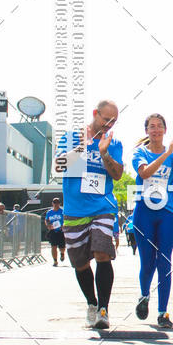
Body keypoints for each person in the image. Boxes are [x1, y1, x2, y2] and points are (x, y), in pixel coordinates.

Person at [56, 100, 123, 330]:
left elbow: (118, 175)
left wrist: (104, 153)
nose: (109, 124)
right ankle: (92, 304)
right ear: (95, 114)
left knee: (102, 253)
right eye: (106, 119)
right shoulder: (71, 138)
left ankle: (103, 309)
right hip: (74, 210)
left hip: (102, 207)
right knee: (81, 263)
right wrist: (82, 146)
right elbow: (58, 166)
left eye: (113, 121)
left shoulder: (113, 143)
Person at [132, 114, 173, 328]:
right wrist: (167, 153)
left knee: (164, 261)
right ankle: (144, 296)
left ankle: (163, 312)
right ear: (146, 131)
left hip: (166, 213)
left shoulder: (172, 154)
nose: (156, 130)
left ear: (165, 130)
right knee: (147, 262)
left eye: (159, 126)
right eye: (152, 127)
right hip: (144, 212)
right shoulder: (140, 153)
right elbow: (145, 172)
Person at [45, 197, 66, 266]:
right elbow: (47, 220)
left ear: (59, 204)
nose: (56, 204)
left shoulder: (62, 211)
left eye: (57, 203)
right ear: (52, 203)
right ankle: (55, 261)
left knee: (62, 247)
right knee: (53, 246)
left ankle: (62, 253)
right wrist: (48, 225)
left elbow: (66, 219)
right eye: (54, 203)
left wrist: (64, 225)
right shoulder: (49, 212)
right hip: (53, 231)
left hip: (61, 230)